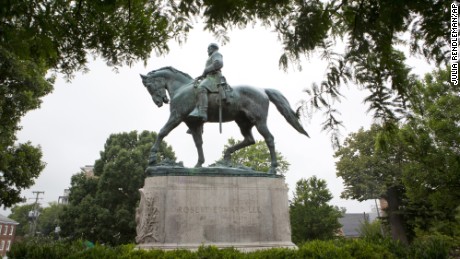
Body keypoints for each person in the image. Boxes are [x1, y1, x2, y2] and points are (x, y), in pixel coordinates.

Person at [188, 43, 223, 121]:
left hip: (214, 77)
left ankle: (203, 112)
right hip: (209, 77)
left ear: (212, 48)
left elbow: (218, 63)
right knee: (195, 87)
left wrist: (205, 70)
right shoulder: (211, 56)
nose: (207, 50)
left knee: (201, 88)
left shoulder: (216, 54)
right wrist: (202, 75)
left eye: (208, 48)